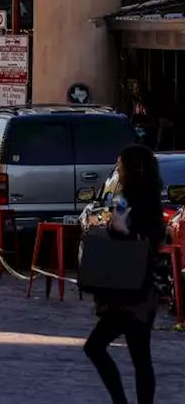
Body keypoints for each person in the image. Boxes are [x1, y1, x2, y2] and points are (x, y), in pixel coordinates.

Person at [83, 144, 164, 404]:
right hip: (132, 292)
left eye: (121, 165)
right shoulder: (134, 197)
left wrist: (122, 230)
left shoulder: (145, 201)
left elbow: (148, 242)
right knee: (139, 358)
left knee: (99, 348)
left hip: (132, 296)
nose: (118, 168)